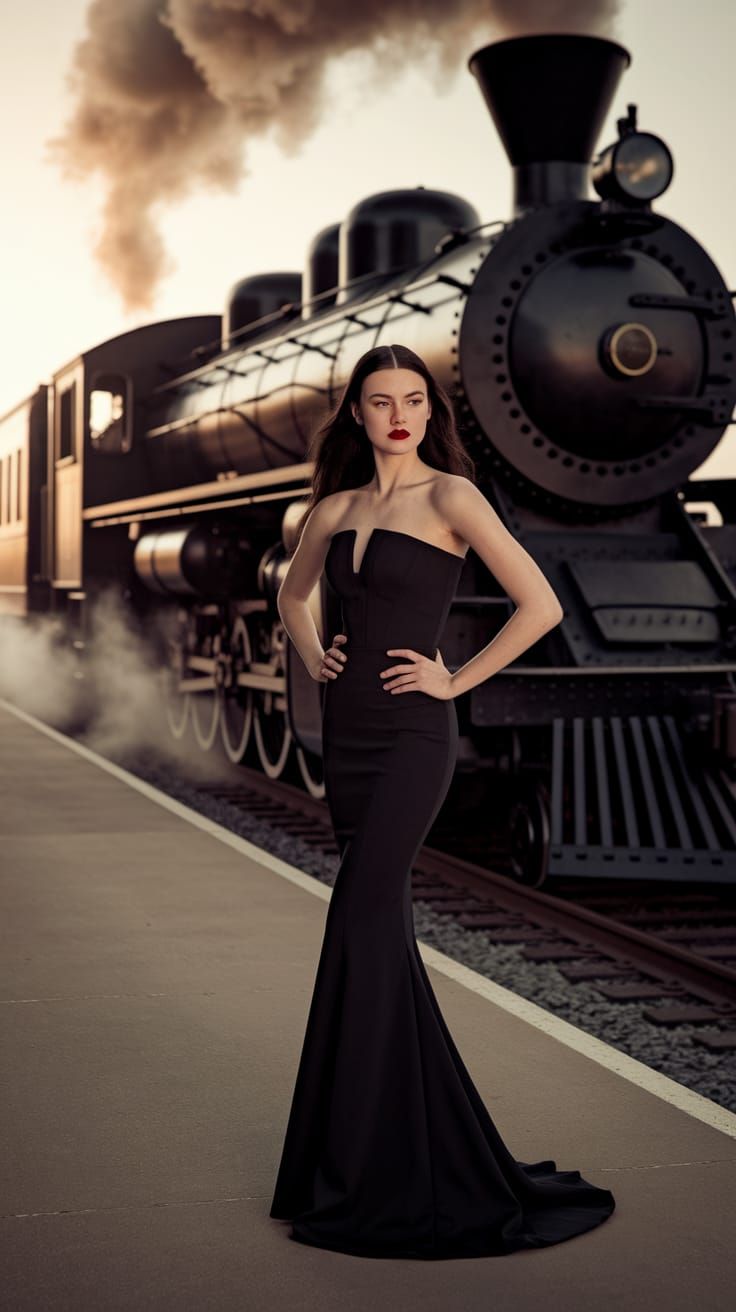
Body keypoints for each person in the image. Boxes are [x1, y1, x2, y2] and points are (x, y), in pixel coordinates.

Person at [269, 342, 615, 1258]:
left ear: (430, 413)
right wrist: (314, 657)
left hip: (417, 738)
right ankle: (374, 1148)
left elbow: (539, 606)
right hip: (349, 739)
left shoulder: (453, 499)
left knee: (360, 920)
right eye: (379, 401)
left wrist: (456, 680)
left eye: (413, 400)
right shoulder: (332, 509)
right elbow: (291, 596)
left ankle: (379, 1164)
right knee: (377, 937)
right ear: (356, 414)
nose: (397, 415)